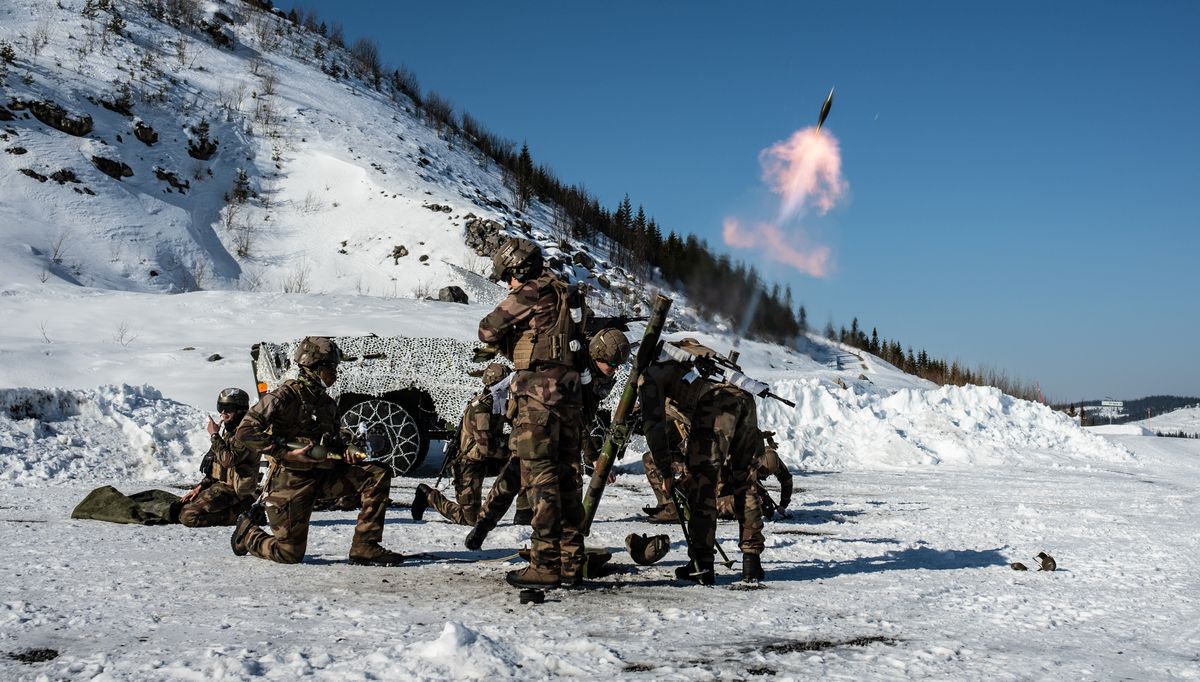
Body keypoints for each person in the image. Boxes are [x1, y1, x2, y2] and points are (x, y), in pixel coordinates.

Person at [230, 336, 404, 566]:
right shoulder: (283, 396)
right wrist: (284, 452)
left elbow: (332, 438)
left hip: (321, 477)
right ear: (314, 366)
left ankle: (365, 546)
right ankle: (248, 535)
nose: (335, 373)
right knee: (289, 554)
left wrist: (346, 449)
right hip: (291, 483)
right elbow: (246, 431)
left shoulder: (327, 403)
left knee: (377, 473)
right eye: (331, 367)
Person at [476, 236, 588, 589]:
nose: (509, 282)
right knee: (568, 477)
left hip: (538, 397)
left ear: (519, 268)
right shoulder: (566, 292)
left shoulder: (531, 291)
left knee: (540, 479)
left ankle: (544, 564)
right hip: (570, 396)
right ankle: (571, 562)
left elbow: (487, 328)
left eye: (509, 275)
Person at [464, 327, 630, 559]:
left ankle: (559, 544)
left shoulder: (589, 374)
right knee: (512, 479)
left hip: (560, 437)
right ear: (597, 355)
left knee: (558, 489)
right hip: (536, 430)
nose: (614, 370)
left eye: (617, 366)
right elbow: (579, 420)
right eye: (611, 364)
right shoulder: (574, 372)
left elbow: (582, 418)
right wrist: (592, 454)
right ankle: (484, 526)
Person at [639, 338, 766, 584]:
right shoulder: (688, 349)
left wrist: (665, 469)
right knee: (745, 480)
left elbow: (653, 426)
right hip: (744, 397)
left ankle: (702, 564)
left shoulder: (652, 371)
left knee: (702, 484)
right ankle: (752, 561)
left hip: (714, 405)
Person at [410, 363, 512, 525]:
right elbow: (486, 446)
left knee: (519, 467)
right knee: (469, 519)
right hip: (469, 464)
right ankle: (428, 496)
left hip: (485, 460)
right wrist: (510, 449)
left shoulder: (496, 403)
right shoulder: (482, 408)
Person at [178, 388, 257, 527]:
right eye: (220, 407)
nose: (222, 413)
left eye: (228, 408)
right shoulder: (230, 430)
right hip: (221, 485)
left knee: (188, 517)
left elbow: (229, 461)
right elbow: (218, 465)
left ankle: (245, 513)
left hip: (236, 490)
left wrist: (214, 436)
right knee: (180, 507)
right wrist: (199, 487)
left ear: (240, 410)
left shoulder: (246, 432)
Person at [716, 430, 792, 520]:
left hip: (743, 480)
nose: (764, 478)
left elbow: (786, 480)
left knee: (766, 509)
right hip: (723, 483)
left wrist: (783, 504)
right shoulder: (727, 465)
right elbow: (710, 504)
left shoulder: (772, 458)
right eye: (761, 474)